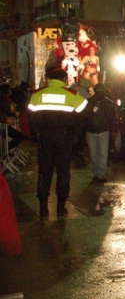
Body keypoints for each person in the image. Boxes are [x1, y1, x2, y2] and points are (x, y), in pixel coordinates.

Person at [28, 67, 87, 217]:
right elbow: (83, 110)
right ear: (65, 80)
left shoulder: (37, 94)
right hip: (64, 138)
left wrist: (37, 134)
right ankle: (61, 207)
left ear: (49, 79)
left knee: (44, 172)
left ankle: (43, 208)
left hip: (44, 139)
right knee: (63, 172)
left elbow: (30, 116)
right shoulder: (71, 94)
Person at [83, 83, 115, 182]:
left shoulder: (109, 103)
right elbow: (84, 117)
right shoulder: (88, 102)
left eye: (101, 91)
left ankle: (100, 173)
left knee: (102, 153)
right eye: (98, 91)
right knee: (94, 153)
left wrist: (113, 130)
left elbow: (112, 118)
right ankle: (97, 172)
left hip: (103, 131)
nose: (99, 93)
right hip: (91, 131)